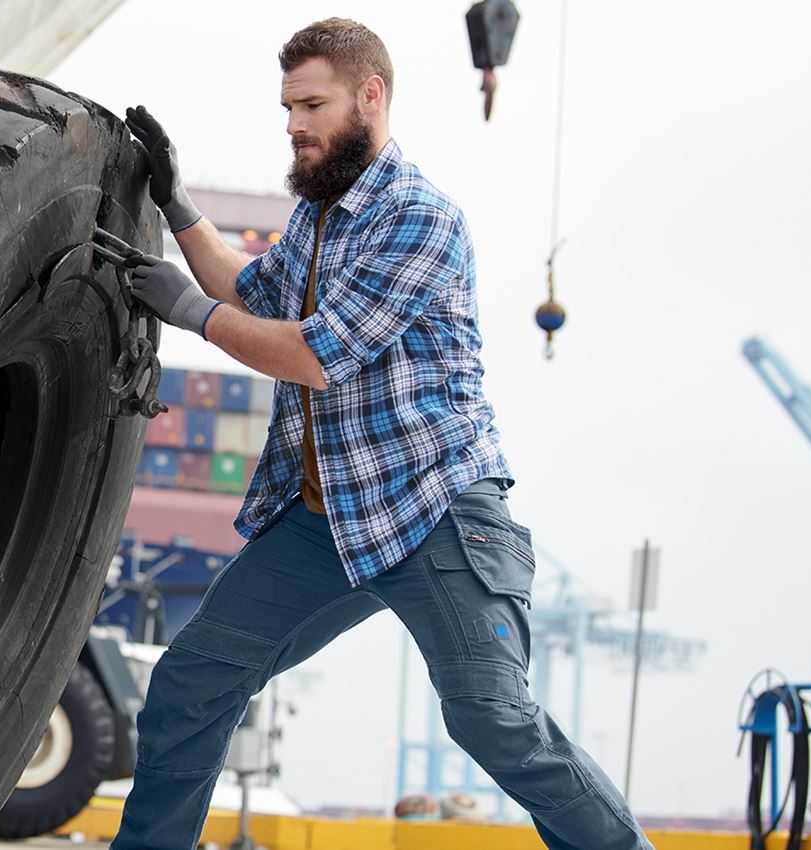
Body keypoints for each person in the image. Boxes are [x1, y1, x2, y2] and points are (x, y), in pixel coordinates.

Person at [112, 17, 654, 850]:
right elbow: (253, 295)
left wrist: (187, 313)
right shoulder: (319, 219)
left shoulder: (419, 218)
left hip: (435, 515)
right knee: (191, 683)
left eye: (312, 104)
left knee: (494, 723)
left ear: (371, 96)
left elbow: (313, 356)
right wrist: (176, 202)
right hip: (328, 524)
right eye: (287, 107)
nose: (293, 124)